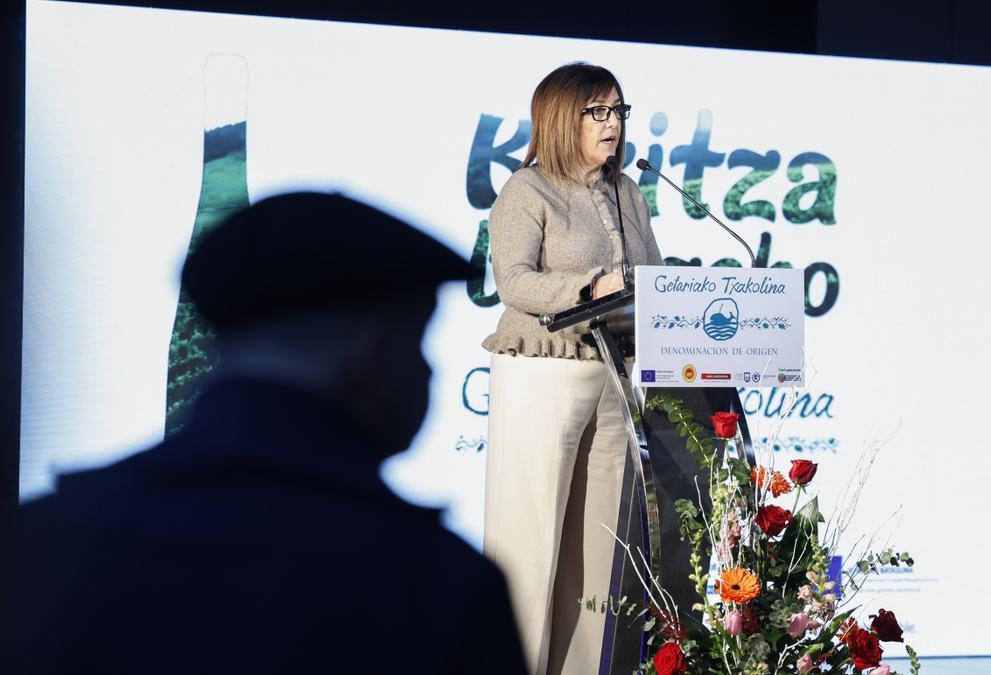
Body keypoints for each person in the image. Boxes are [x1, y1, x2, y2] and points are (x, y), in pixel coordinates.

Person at [0, 193, 528, 675]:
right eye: (418, 341)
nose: (427, 373)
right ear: (372, 350)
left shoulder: (40, 543)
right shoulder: (431, 587)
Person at [482, 63, 663, 675]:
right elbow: (515, 282)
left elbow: (654, 281)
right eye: (598, 112)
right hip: (543, 373)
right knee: (529, 549)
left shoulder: (630, 193)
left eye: (619, 110)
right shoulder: (526, 192)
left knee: (601, 558)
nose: (612, 123)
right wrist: (592, 287)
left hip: (616, 375)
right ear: (562, 118)